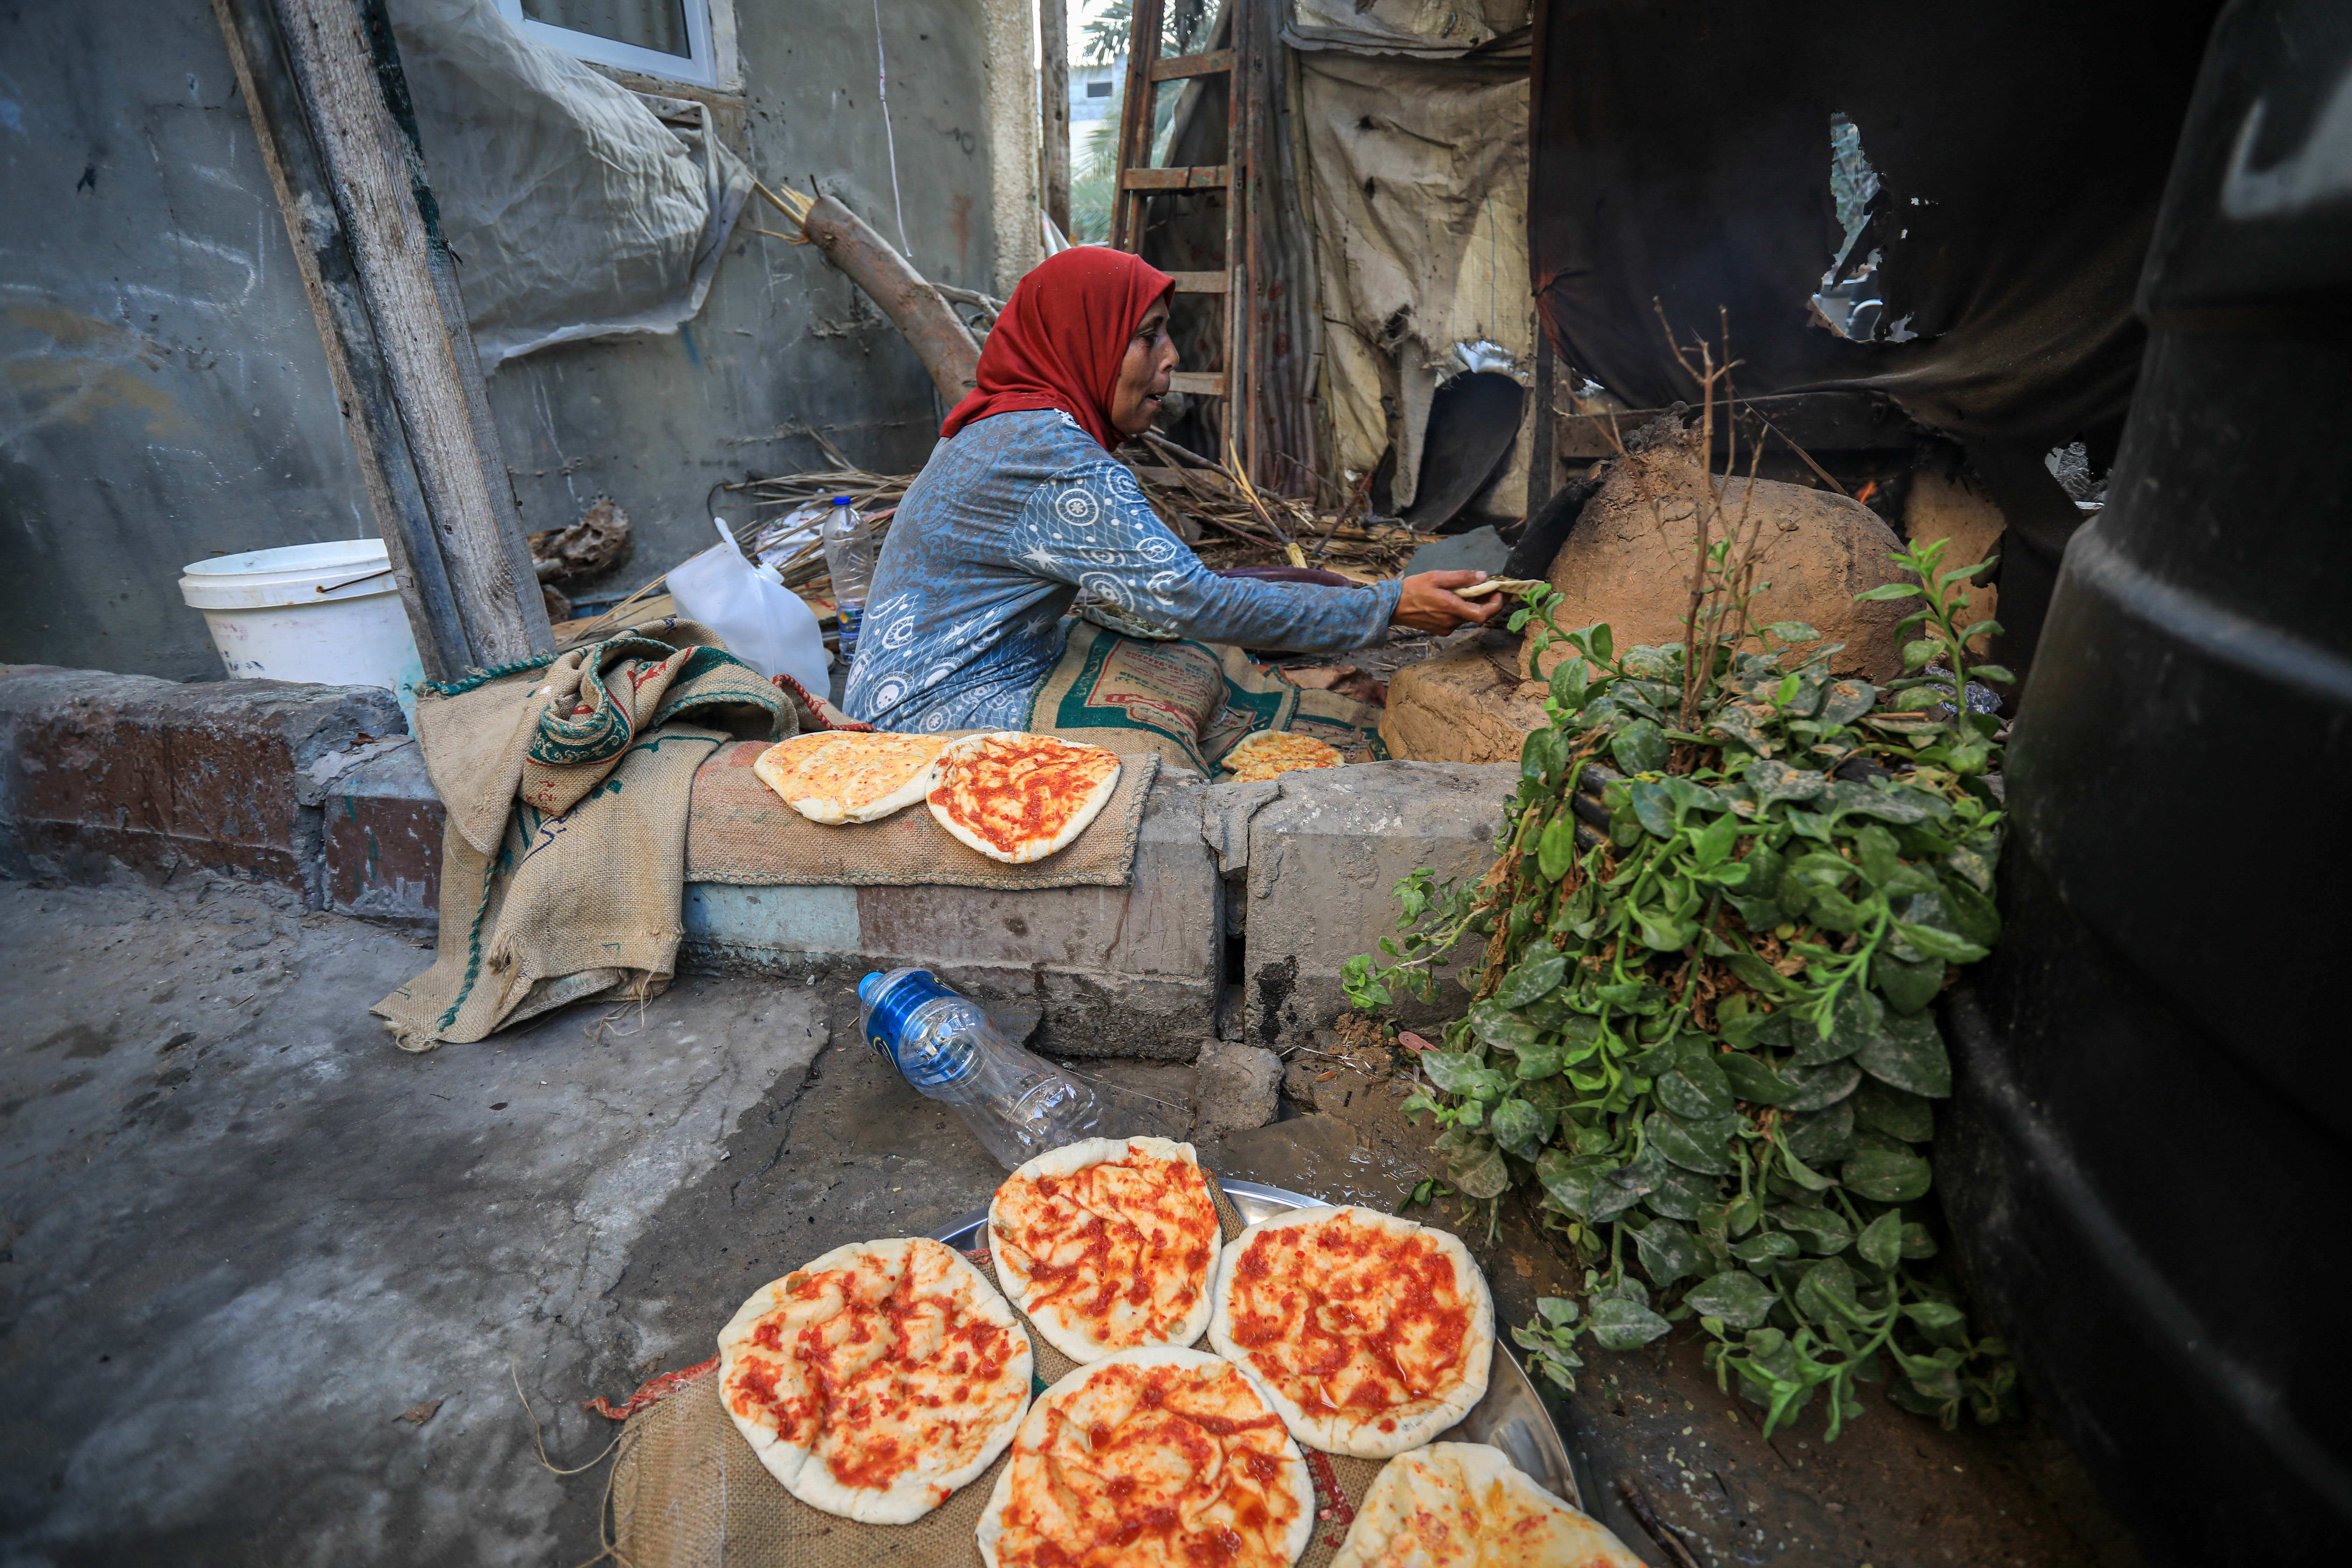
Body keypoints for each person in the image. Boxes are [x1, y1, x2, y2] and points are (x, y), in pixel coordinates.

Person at [841, 247, 1506, 733]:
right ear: (1086, 341)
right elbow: (1188, 601)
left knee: (1179, 666)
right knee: (1159, 739)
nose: (1171, 357)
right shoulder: (1049, 451)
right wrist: (1389, 606)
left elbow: (1164, 593)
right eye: (1146, 336)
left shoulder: (1009, 420)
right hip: (924, 714)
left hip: (904, 684)